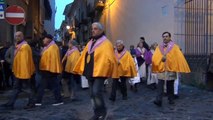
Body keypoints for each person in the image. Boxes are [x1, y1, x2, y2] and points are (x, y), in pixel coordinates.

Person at [73, 22, 118, 120]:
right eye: (92, 28)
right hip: (90, 71)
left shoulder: (106, 43)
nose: (93, 30)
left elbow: (110, 58)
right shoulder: (90, 43)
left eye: (95, 28)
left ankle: (102, 111)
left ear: (101, 30)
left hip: (100, 72)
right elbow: (84, 55)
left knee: (96, 92)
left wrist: (109, 71)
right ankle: (97, 113)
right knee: (91, 94)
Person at [152, 32, 190, 107]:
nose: (165, 38)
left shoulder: (175, 47)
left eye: (166, 36)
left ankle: (171, 99)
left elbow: (178, 57)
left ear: (170, 37)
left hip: (171, 68)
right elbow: (154, 57)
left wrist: (173, 63)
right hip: (161, 68)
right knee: (160, 85)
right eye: (163, 36)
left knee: (170, 85)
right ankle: (158, 100)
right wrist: (160, 59)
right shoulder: (159, 47)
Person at [0, 31, 35, 109]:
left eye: (19, 36)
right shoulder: (19, 46)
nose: (17, 38)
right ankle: (10, 103)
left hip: (22, 73)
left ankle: (32, 103)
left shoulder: (25, 46)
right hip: (17, 71)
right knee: (16, 88)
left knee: (26, 88)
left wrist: (24, 73)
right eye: (16, 36)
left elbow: (24, 61)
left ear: (22, 37)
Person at [35, 34, 63, 106]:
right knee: (49, 85)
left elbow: (53, 59)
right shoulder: (47, 47)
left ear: (48, 39)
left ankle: (58, 100)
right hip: (47, 70)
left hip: (50, 70)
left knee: (53, 85)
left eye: (44, 39)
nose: (43, 40)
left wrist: (50, 69)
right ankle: (38, 101)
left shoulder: (53, 47)